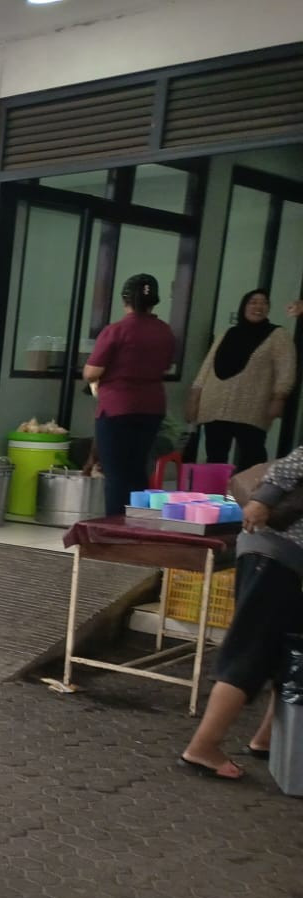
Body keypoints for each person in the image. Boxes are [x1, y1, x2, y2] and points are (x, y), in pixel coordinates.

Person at [179, 445, 303, 779]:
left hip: (289, 563)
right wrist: (261, 502)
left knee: (290, 653)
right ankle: (203, 747)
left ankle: (269, 739)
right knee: (252, 649)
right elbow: (290, 467)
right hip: (276, 555)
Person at [84, 273, 177, 516]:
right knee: (137, 469)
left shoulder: (117, 330)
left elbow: (92, 370)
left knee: (115, 473)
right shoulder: (164, 331)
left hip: (117, 408)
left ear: (125, 299)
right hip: (152, 407)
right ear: (154, 301)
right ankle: (138, 524)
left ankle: (116, 530)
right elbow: (166, 365)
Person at [188, 289, 296, 470]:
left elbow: (286, 367)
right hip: (215, 404)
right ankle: (214, 495)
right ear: (243, 307)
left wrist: (280, 397)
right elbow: (207, 366)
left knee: (253, 456)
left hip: (252, 407)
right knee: (215, 456)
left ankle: (250, 496)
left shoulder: (278, 335)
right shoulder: (228, 333)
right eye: (253, 302)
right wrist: (194, 397)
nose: (258, 306)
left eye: (264, 303)